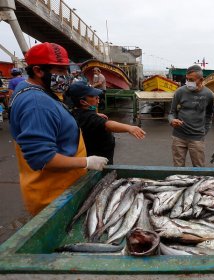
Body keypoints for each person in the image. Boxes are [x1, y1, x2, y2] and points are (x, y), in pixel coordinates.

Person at [9, 42, 108, 215]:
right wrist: (86, 162)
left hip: (61, 189)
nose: (66, 76)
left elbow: (50, 120)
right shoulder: (37, 103)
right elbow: (42, 158)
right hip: (54, 197)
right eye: (60, 71)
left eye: (66, 70)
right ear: (38, 71)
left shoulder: (32, 90)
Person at [68, 81, 146, 164]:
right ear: (83, 102)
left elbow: (84, 115)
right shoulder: (89, 117)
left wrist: (96, 114)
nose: (98, 99)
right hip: (99, 161)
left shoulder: (76, 112)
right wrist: (129, 128)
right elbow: (108, 125)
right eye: (94, 97)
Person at [168, 64, 214, 167]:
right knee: (178, 168)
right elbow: (171, 112)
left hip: (197, 138)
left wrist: (204, 131)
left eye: (192, 80)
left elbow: (209, 115)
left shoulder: (209, 95)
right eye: (187, 79)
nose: (188, 82)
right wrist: (172, 121)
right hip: (179, 137)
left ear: (201, 80)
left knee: (199, 169)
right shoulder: (180, 92)